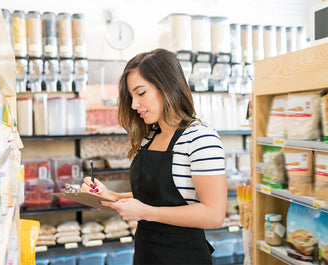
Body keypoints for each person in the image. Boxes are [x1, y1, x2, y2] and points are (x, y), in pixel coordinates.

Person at [82, 48, 227, 265]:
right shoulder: (149, 136)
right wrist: (110, 196)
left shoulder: (200, 138)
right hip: (146, 254)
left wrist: (146, 212)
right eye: (131, 97)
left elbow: (214, 215)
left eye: (141, 94)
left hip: (183, 257)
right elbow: (153, 198)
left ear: (167, 86)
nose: (134, 105)